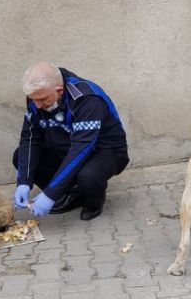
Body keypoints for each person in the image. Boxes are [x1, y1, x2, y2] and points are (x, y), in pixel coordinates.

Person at [12, 62, 129, 220]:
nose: (37, 105)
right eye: (33, 100)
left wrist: (50, 194)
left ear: (59, 91)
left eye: (41, 100)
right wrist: (24, 182)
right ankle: (71, 194)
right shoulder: (37, 98)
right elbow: (30, 138)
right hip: (65, 149)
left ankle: (93, 201)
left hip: (103, 151)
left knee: (87, 176)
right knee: (20, 157)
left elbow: (80, 151)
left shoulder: (87, 99)